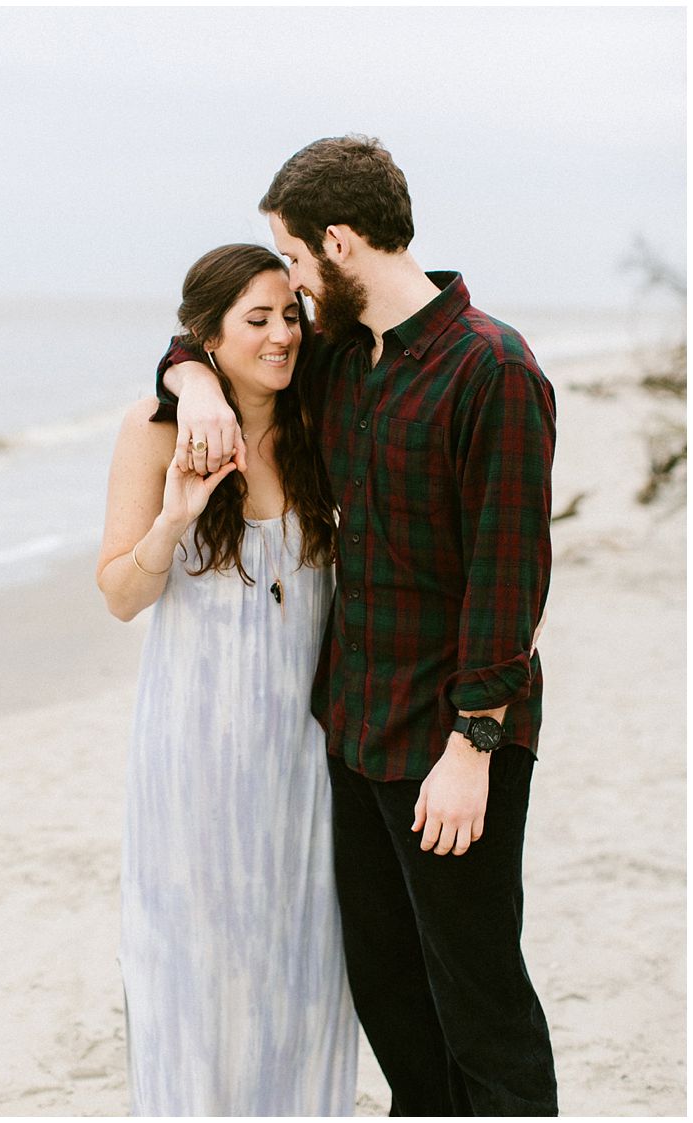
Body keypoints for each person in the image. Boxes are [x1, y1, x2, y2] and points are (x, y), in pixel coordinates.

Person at [157, 135, 557, 1116]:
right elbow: (197, 342)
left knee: (478, 995)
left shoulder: (491, 367)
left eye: (293, 260)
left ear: (338, 243)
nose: (291, 290)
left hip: (452, 742)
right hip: (355, 732)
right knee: (388, 991)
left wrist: (475, 743)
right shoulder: (343, 361)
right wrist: (195, 382)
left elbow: (509, 577)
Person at [96, 243, 358, 1115]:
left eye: (291, 315)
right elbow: (120, 596)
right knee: (192, 968)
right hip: (193, 749)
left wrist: (199, 377)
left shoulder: (319, 416)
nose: (283, 334)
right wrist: (173, 518)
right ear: (207, 336)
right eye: (258, 319)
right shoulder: (155, 429)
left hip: (308, 750)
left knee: (301, 964)